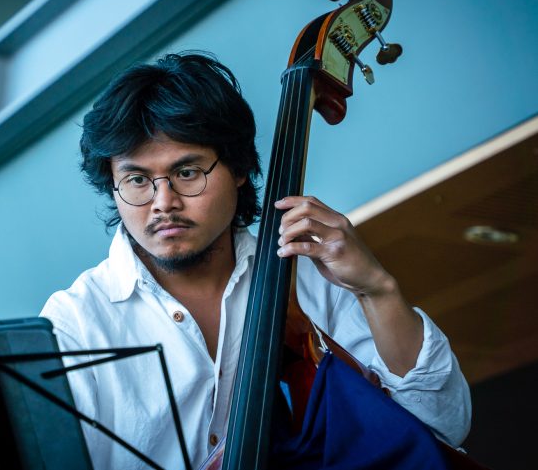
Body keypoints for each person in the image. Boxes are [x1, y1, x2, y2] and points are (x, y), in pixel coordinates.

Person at [40, 52, 471, 469]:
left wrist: (377, 289)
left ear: (240, 167)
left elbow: (441, 426)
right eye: (136, 180)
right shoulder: (75, 323)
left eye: (187, 173)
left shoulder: (306, 272)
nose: (163, 203)